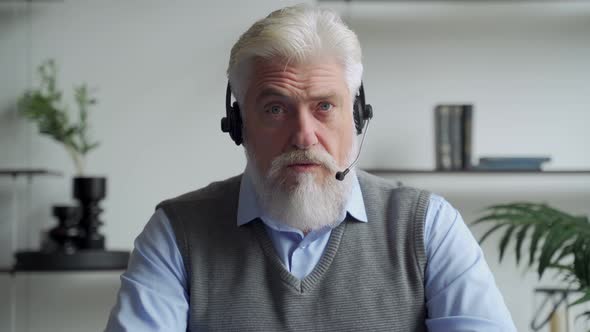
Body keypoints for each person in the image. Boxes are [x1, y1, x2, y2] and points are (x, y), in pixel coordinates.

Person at [106, 5, 516, 331]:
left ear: (356, 118)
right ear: (238, 125)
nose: (304, 136)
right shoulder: (176, 234)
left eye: (324, 106)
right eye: (275, 109)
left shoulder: (428, 227)